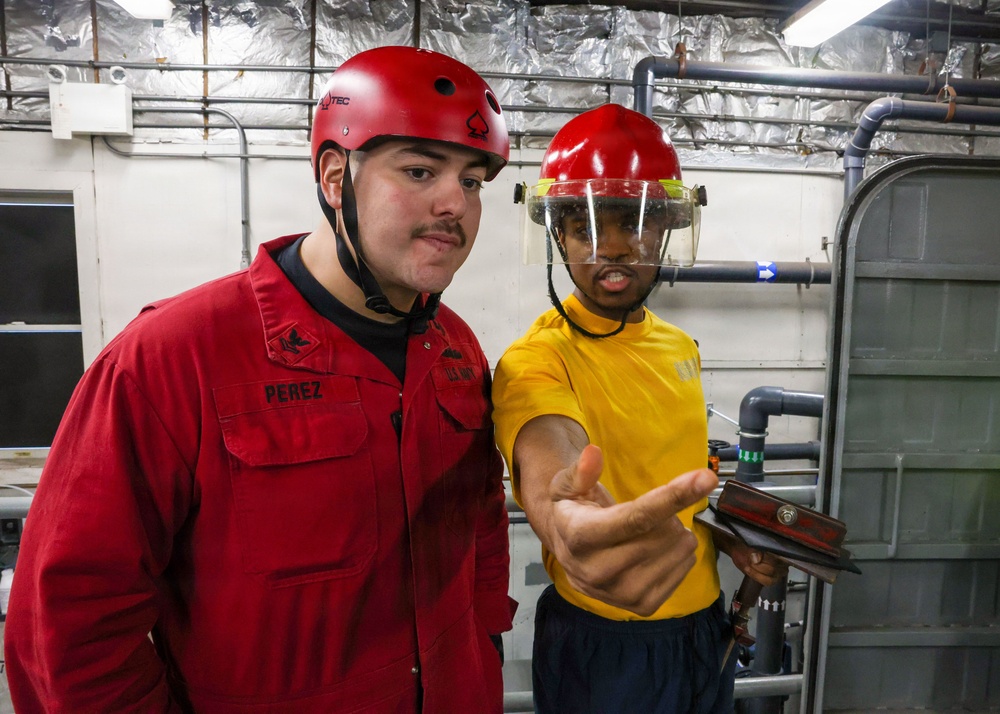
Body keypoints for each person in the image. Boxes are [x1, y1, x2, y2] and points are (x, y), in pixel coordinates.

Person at [5, 45, 515, 713]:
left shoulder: (455, 347)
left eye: (473, 182)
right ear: (335, 177)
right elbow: (72, 622)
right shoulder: (170, 359)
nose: (455, 203)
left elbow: (480, 520)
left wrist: (485, 643)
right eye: (420, 171)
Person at [492, 103, 785, 713]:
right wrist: (561, 516)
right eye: (586, 228)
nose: (615, 248)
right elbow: (551, 463)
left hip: (704, 626)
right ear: (559, 237)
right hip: (605, 642)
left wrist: (727, 538)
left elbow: (674, 484)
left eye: (635, 223)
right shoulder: (536, 359)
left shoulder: (679, 347)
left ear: (665, 231)